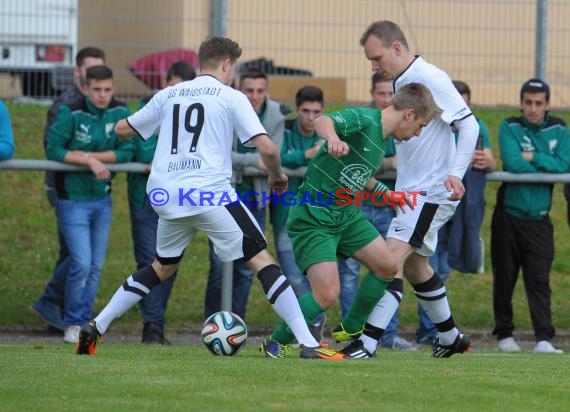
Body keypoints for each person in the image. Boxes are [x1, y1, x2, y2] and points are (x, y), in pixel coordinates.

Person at [76, 36, 344, 361]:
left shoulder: (168, 94)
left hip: (166, 195)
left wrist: (142, 124)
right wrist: (277, 176)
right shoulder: (230, 96)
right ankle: (310, 344)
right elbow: (268, 148)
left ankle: (95, 328)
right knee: (262, 259)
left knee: (161, 267)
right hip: (208, 194)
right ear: (228, 65)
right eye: (234, 70)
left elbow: (121, 129)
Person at [260, 82, 442, 358]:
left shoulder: (383, 138)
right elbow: (324, 120)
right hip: (315, 215)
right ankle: (276, 342)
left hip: (346, 215)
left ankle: (352, 326)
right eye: (420, 125)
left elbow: (357, 172)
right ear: (409, 113)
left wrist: (386, 194)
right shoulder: (366, 120)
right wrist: (332, 138)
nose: (418, 133)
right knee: (326, 294)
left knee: (388, 266)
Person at [334, 20, 479, 359]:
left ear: (397, 48)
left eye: (377, 57)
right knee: (415, 268)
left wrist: (457, 174)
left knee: (389, 261)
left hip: (430, 192)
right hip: (411, 192)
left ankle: (367, 343)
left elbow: (468, 125)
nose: (374, 66)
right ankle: (450, 336)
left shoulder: (430, 78)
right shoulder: (403, 81)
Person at [46, 65, 134, 343]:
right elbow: (54, 149)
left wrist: (95, 157)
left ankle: (84, 321)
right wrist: (88, 159)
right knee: (81, 263)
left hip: (102, 199)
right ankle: (72, 323)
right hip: (72, 200)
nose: (103, 95)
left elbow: (128, 150)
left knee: (95, 266)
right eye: (97, 90)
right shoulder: (70, 111)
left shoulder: (121, 113)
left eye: (108, 90)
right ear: (85, 88)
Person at [337, 72, 416, 351]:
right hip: (354, 205)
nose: (384, 99)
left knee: (389, 267)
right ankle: (351, 331)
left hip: (387, 206)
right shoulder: (364, 121)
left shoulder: (401, 125)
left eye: (389, 95)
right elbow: (365, 163)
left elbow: (400, 163)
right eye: (380, 94)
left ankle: (386, 335)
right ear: (372, 93)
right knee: (347, 274)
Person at [204, 67, 289, 320]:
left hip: (256, 199)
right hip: (222, 197)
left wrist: (249, 161)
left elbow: (275, 153)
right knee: (221, 264)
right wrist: (253, 160)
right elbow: (218, 154)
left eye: (260, 91)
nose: (254, 96)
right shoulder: (224, 107)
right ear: (240, 90)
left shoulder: (275, 115)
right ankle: (212, 321)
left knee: (245, 267)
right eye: (249, 90)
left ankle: (235, 322)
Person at [491, 78, 569, 354]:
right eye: (528, 103)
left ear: (547, 104)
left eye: (538, 103)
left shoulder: (559, 128)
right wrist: (542, 162)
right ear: (521, 103)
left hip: (539, 218)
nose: (532, 109)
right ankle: (504, 335)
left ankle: (544, 339)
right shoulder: (509, 126)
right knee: (504, 278)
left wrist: (532, 156)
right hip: (508, 216)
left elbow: (564, 164)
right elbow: (512, 163)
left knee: (539, 280)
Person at [32, 47, 107, 332]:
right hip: (62, 187)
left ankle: (59, 310)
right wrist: (87, 156)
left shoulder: (104, 105)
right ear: (78, 72)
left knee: (79, 257)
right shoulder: (65, 104)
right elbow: (53, 147)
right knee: (78, 257)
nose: (96, 77)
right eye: (90, 71)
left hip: (93, 190)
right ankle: (55, 305)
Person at [416, 79, 496, 345]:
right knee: (428, 264)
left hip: (461, 205)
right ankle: (431, 331)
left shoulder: (476, 125)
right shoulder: (434, 124)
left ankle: (438, 330)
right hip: (434, 201)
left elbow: (489, 159)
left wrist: (488, 161)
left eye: (464, 102)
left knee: (444, 268)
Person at [128, 61, 196, 344]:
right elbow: (140, 147)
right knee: (149, 260)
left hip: (178, 197)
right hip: (146, 197)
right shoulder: (150, 105)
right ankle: (152, 326)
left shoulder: (192, 110)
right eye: (175, 84)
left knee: (169, 261)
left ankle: (156, 323)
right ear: (166, 80)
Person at [272, 85, 326, 341]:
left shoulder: (329, 132)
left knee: (320, 278)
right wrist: (307, 155)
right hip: (286, 216)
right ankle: (313, 321)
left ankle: (312, 325)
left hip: (320, 218)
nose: (311, 117)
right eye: (305, 111)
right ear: (297, 109)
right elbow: (276, 157)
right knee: (293, 277)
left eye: (316, 111)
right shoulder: (285, 129)